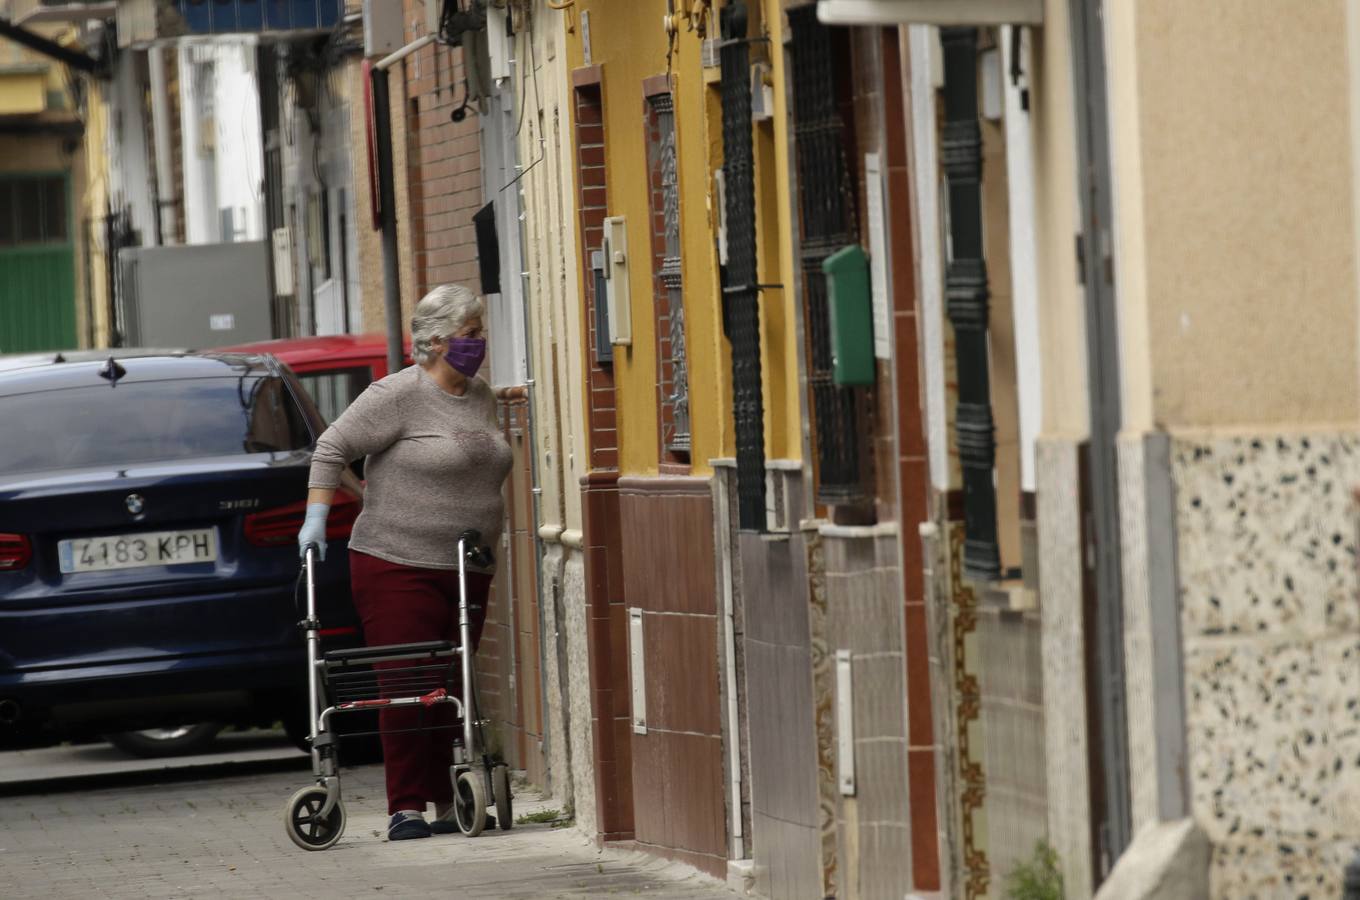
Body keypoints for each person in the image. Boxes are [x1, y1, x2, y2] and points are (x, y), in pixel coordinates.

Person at [298, 284, 513, 841]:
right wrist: (318, 519)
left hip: (468, 564)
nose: (479, 343)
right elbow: (331, 448)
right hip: (396, 561)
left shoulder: (482, 395)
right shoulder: (396, 395)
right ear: (437, 341)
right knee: (408, 681)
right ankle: (406, 807)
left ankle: (449, 799)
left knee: (450, 682)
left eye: (480, 333)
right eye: (470, 334)